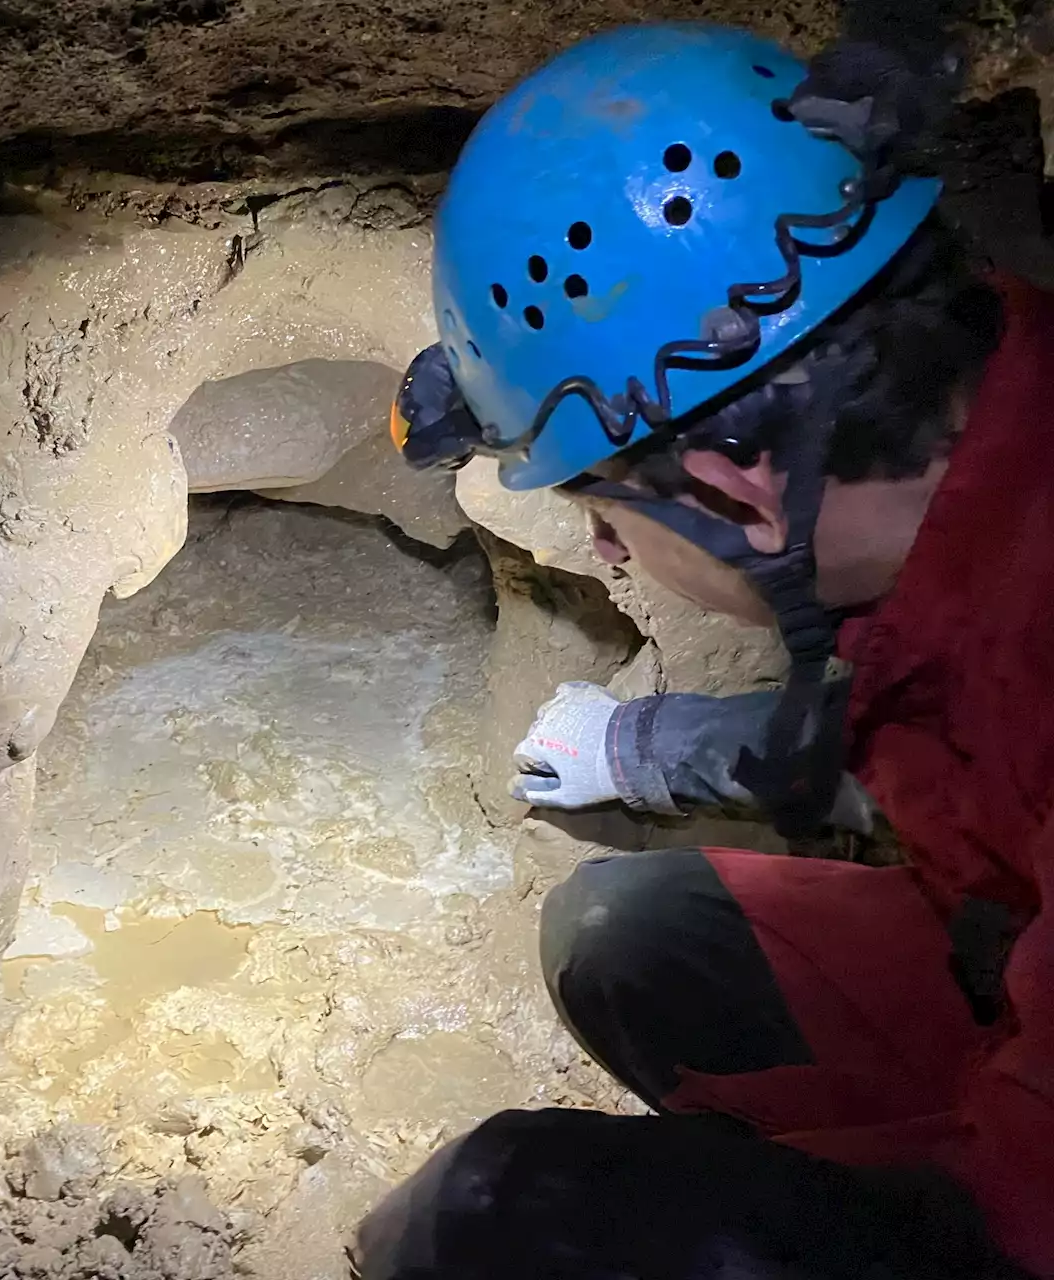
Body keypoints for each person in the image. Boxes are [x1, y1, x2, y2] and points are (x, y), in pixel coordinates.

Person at [357, 11, 1054, 1280]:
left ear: (739, 494)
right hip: (1013, 962)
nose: (610, 554)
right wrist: (650, 745)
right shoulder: (995, 416)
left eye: (601, 510)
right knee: (634, 936)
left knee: (498, 1221)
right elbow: (959, 716)